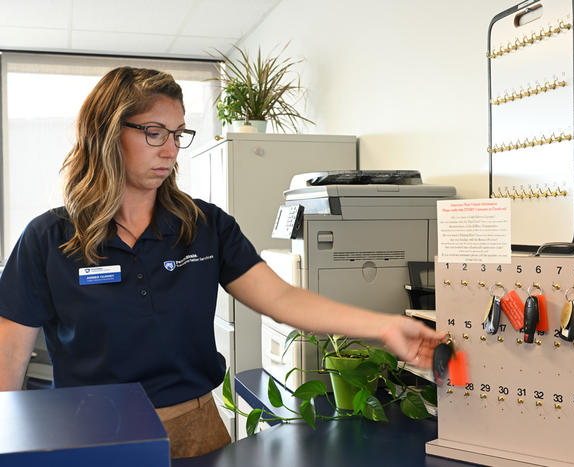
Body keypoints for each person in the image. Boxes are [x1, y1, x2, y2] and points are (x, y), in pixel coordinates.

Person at [0, 67, 444, 458]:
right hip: (90, 433)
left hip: (194, 425)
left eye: (178, 134)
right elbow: (9, 362)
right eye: (154, 132)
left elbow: (281, 298)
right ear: (106, 131)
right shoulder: (48, 238)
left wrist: (383, 328)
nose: (171, 150)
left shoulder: (203, 225)